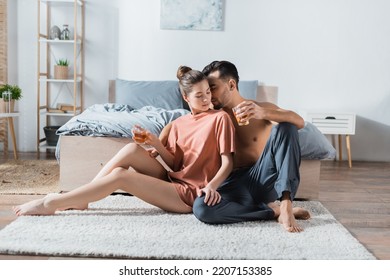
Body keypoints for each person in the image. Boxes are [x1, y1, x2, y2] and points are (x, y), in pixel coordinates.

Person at [13, 66, 239, 216]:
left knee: (121, 176)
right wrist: (154, 142)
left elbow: (227, 162)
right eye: (199, 96)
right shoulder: (179, 123)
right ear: (185, 97)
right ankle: (81, 197)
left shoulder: (220, 119)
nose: (207, 99)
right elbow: (174, 165)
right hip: (174, 182)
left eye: (207, 92)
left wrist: (211, 186)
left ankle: (51, 203)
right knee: (131, 148)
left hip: (190, 194)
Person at [192, 60, 310, 232]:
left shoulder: (261, 108)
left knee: (287, 126)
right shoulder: (212, 116)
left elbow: (299, 122)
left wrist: (262, 113)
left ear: (231, 84)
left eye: (213, 88)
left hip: (263, 178)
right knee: (201, 208)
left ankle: (286, 206)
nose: (209, 95)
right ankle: (272, 211)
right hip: (232, 185)